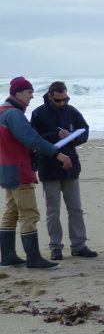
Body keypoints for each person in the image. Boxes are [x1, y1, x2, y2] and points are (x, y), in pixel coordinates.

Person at [0, 77, 73, 269]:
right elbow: (31, 138)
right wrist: (57, 153)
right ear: (17, 93)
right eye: (29, 92)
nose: (32, 96)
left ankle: (8, 256)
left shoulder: (3, 112)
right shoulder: (14, 115)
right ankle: (33, 258)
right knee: (29, 213)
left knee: (11, 212)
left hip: (6, 170)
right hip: (19, 170)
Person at [31, 81, 96, 260]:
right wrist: (55, 135)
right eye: (58, 100)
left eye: (65, 99)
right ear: (50, 96)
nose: (62, 103)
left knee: (75, 208)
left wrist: (72, 137)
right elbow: (34, 138)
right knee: (53, 210)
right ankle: (55, 247)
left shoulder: (72, 111)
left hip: (71, 166)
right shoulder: (38, 113)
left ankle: (79, 245)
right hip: (48, 166)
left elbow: (85, 132)